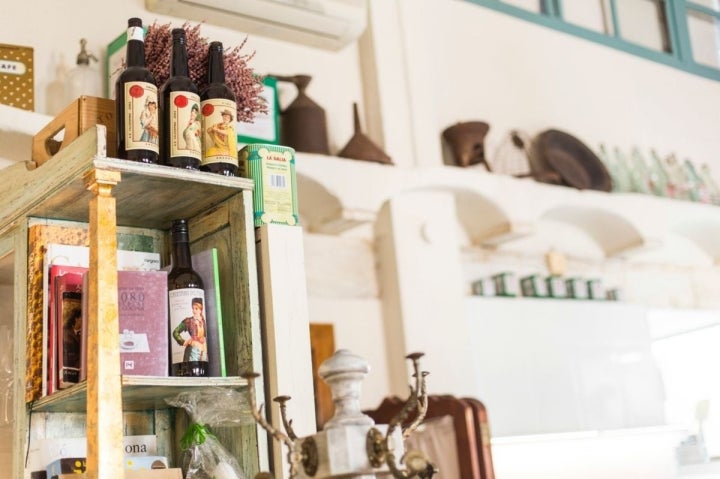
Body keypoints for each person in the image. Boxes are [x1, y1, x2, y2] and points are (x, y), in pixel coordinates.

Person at [172, 297, 207, 362]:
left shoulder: (204, 321)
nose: (194, 311)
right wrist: (183, 342)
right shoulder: (188, 321)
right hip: (193, 351)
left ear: (201, 309)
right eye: (193, 308)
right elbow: (175, 332)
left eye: (196, 308)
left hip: (204, 351)